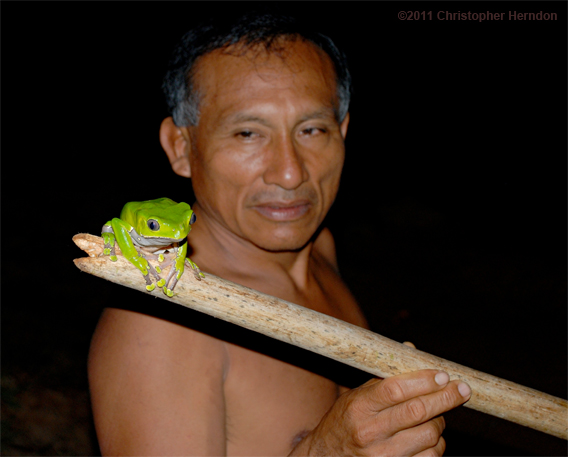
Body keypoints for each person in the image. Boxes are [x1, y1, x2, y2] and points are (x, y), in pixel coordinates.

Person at [88, 11, 471, 456]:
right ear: (182, 147)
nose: (290, 173)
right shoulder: (162, 321)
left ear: (343, 132)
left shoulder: (321, 249)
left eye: (311, 129)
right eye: (248, 133)